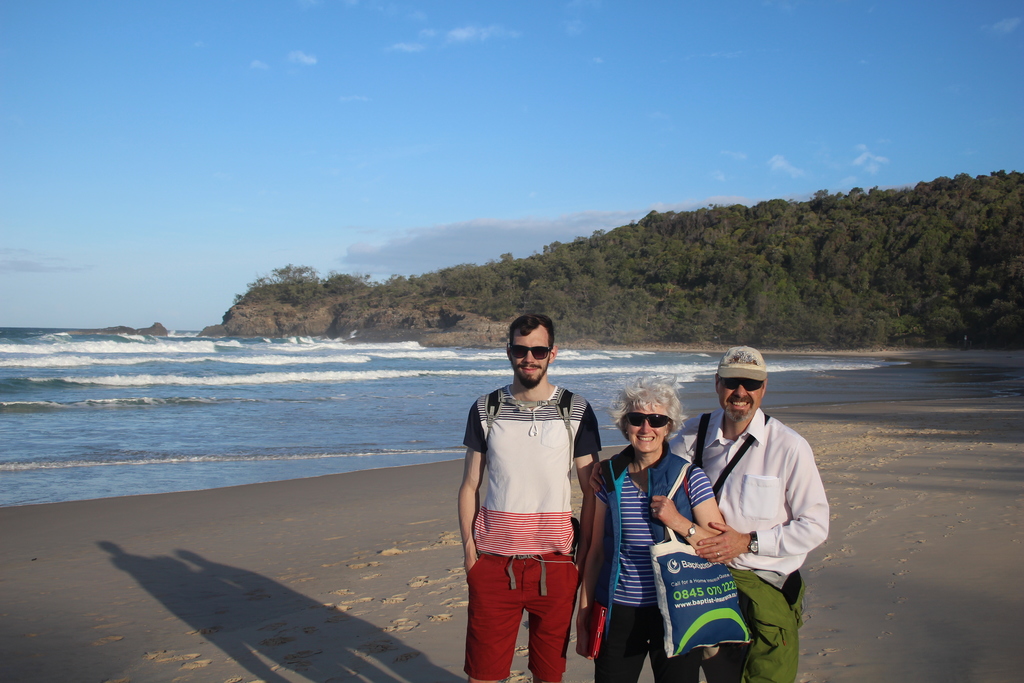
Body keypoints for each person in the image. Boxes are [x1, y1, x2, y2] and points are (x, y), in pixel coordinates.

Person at [670, 346, 829, 683]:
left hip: (762, 589)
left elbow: (815, 526)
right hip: (703, 589)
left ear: (764, 387)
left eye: (750, 384)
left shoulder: (789, 447)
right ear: (717, 383)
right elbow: (651, 457)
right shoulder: (689, 436)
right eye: (732, 382)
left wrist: (747, 543)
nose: (740, 393)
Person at [459, 314, 602, 683]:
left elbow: (593, 490)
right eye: (521, 350)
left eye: (538, 350)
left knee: (548, 674)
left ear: (552, 353)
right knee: (484, 675)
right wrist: (469, 554)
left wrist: (584, 553)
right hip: (492, 564)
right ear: (509, 352)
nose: (529, 358)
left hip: (555, 565)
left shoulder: (576, 409)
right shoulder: (485, 408)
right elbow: (469, 485)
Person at [576, 374, 728, 683]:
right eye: (637, 419)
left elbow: (720, 543)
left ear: (669, 426)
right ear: (625, 424)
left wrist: (680, 522)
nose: (646, 428)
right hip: (619, 611)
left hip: (676, 608)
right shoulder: (607, 476)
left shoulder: (690, 478)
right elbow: (594, 553)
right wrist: (584, 612)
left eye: (657, 419)